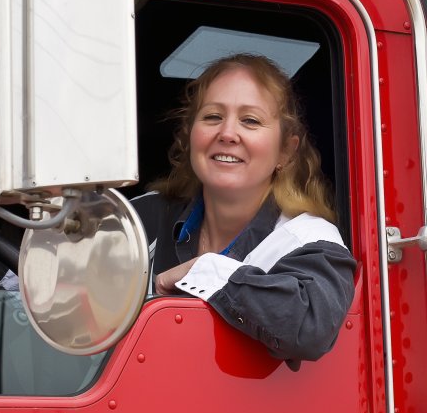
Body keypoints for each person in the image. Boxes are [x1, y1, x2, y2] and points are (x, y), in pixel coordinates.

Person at [131, 53, 355, 370]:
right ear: (190, 135)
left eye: (250, 120)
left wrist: (203, 271)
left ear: (286, 151)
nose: (227, 133)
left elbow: (311, 325)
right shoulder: (138, 219)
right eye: (211, 117)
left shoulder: (308, 239)